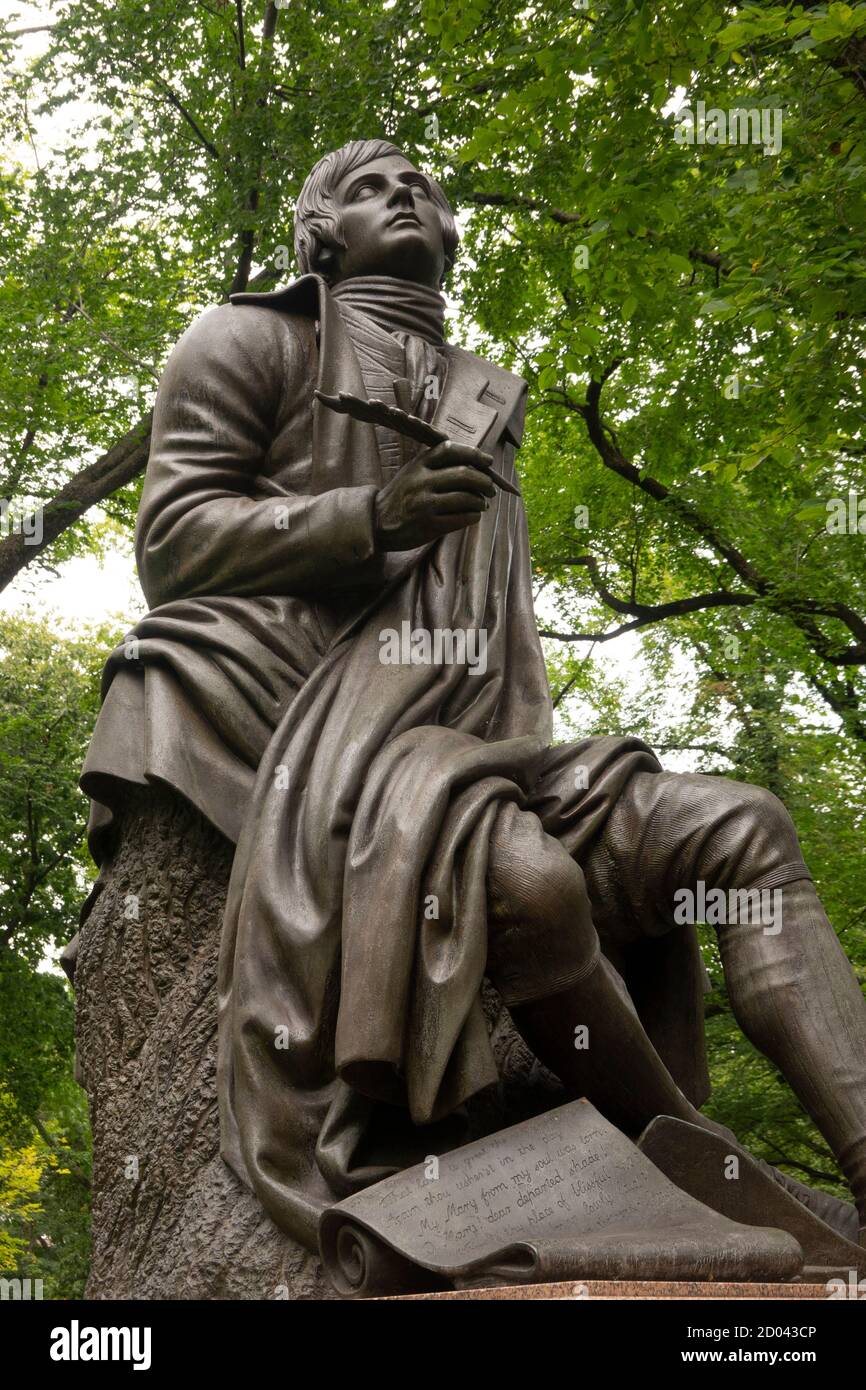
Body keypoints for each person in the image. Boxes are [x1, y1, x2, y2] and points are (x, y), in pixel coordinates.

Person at [79, 138, 866, 1252]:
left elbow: (484, 633)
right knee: (528, 888)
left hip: (481, 746)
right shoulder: (247, 338)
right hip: (310, 722)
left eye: (422, 186)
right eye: (368, 187)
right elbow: (173, 538)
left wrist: (504, 746)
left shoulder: (484, 399)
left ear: (450, 233)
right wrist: (371, 518)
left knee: (744, 830)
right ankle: (693, 1159)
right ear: (319, 233)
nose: (404, 193)